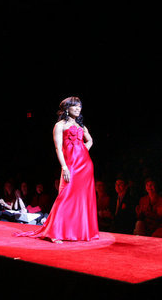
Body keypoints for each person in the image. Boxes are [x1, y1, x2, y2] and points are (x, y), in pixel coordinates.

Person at [15, 96, 99, 243]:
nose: (79, 109)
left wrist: (83, 150)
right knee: (65, 196)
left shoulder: (81, 126)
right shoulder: (60, 125)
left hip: (85, 165)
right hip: (71, 165)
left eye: (80, 106)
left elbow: (90, 140)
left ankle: (81, 232)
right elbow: (58, 148)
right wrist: (64, 166)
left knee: (82, 199)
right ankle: (55, 232)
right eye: (75, 106)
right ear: (67, 108)